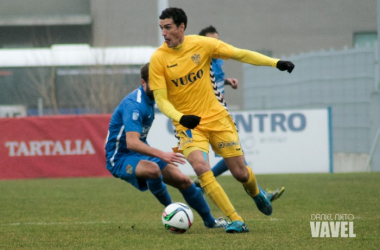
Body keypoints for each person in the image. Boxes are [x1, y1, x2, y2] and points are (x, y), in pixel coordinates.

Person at [149, 7, 294, 233]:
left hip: (217, 118)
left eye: (168, 28)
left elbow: (240, 54)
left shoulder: (202, 45)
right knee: (200, 166)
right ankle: (236, 219)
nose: (164, 33)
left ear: (181, 27)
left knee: (241, 173)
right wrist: (181, 117)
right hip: (188, 125)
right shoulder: (158, 59)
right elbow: (161, 100)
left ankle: (257, 193)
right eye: (161, 29)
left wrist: (275, 63)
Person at [105, 62, 228, 229]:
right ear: (143, 83)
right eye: (155, 82)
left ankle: (210, 222)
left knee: (183, 180)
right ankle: (173, 214)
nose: (159, 86)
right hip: (119, 158)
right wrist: (161, 154)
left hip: (139, 152)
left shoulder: (154, 98)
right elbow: (132, 142)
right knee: (153, 170)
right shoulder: (134, 105)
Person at [197, 25, 285, 202]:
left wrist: (227, 82)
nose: (217, 44)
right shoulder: (201, 61)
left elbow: (215, 81)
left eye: (218, 40)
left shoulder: (217, 61)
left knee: (234, 157)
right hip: (209, 115)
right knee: (236, 157)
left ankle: (201, 184)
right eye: (212, 41)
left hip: (220, 111)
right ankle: (260, 194)